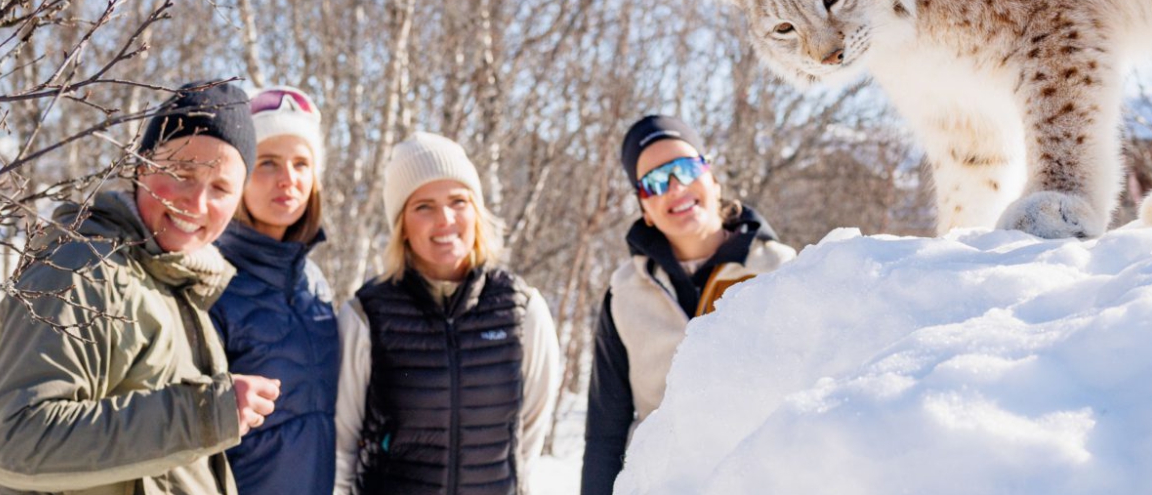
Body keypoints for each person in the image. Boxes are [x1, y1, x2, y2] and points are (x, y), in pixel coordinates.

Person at [0, 81, 281, 495]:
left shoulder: (171, 279)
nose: (196, 204)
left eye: (221, 189)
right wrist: (205, 415)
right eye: (182, 173)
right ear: (141, 167)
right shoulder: (82, 269)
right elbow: (16, 442)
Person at [334, 132, 563, 495]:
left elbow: (528, 434)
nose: (445, 219)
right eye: (423, 206)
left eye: (458, 201)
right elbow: (342, 445)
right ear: (402, 226)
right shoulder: (367, 315)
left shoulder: (522, 309)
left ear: (476, 211)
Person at [580, 115, 798, 495]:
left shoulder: (781, 270)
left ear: (711, 176)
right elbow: (605, 434)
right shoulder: (625, 293)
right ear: (644, 207)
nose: (675, 187)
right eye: (654, 182)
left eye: (684, 167)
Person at [209, 87, 341, 495]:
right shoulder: (211, 280)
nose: (289, 179)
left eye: (302, 164)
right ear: (239, 173)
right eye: (268, 163)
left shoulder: (314, 283)